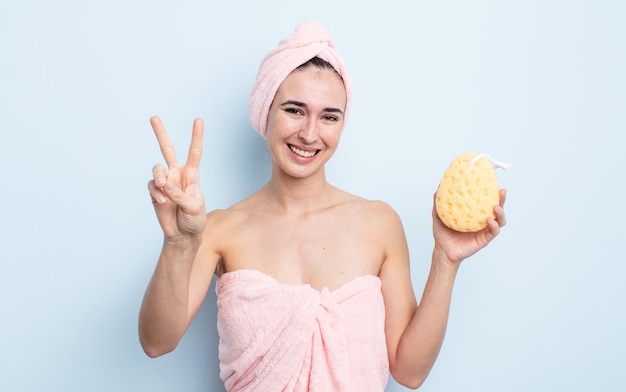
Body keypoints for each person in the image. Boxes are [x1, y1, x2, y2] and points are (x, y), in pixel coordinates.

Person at [139, 21, 507, 391]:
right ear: (264, 112)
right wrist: (177, 244)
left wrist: (446, 259)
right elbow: (157, 343)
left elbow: (409, 372)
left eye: (329, 116)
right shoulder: (219, 229)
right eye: (295, 110)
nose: (310, 134)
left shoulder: (378, 223)